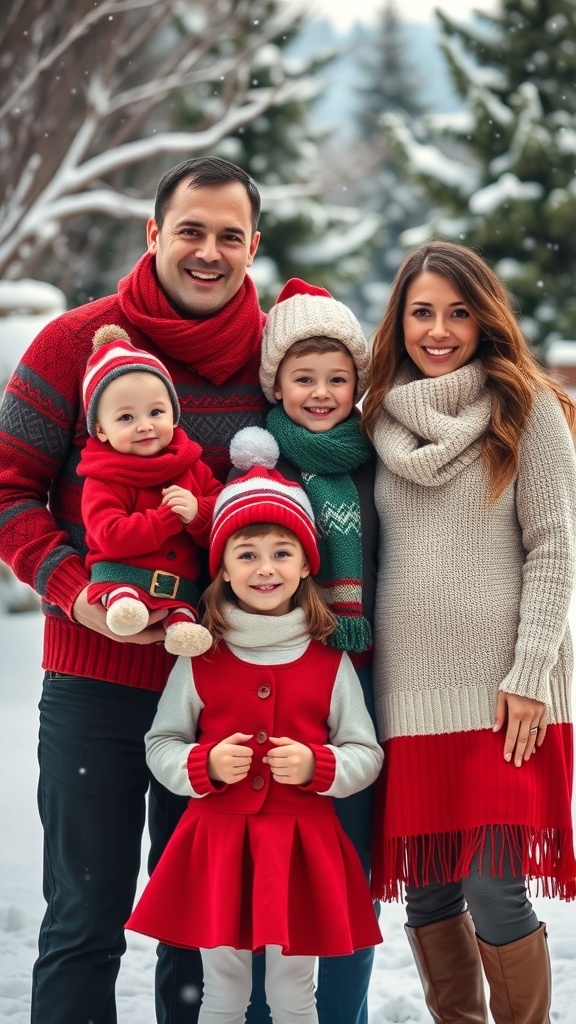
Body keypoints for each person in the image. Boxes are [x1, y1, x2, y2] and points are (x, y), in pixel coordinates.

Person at [0, 156, 269, 1024]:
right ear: (154, 234)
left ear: (253, 247)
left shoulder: (276, 361)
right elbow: (8, 488)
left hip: (219, 686)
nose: (208, 251)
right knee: (85, 920)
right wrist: (75, 589)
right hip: (93, 682)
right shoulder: (73, 343)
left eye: (230, 235)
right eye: (191, 230)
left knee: (201, 929)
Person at [362, 239, 576, 1024]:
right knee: (428, 886)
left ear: (486, 318)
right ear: (401, 319)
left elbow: (554, 543)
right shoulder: (375, 416)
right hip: (407, 694)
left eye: (458, 311)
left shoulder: (528, 405)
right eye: (422, 312)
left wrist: (529, 674)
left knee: (494, 883)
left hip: (504, 693)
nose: (439, 329)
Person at [126, 438, 383, 1024]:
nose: (265, 568)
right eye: (246, 554)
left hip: (298, 846)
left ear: (305, 564)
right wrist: (203, 766)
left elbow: (364, 752)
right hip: (219, 843)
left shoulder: (328, 660)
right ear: (222, 567)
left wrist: (321, 768)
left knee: (294, 991)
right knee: (223, 990)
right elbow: (161, 741)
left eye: (281, 552)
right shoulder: (200, 656)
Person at [248, 277, 379, 1024]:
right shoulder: (262, 470)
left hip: (359, 687)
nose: (322, 392)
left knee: (348, 876)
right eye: (304, 378)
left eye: (338, 378)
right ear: (277, 382)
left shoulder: (375, 461)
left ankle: (344, 1013)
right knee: (274, 872)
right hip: (277, 686)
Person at [78, 324, 222, 656]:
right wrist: (167, 519)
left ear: (174, 417)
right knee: (126, 601)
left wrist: (197, 513)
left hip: (180, 589)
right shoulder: (104, 477)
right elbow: (110, 535)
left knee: (183, 615)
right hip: (121, 579)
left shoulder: (189, 466)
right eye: (126, 417)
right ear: (101, 430)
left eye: (156, 412)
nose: (144, 425)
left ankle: (182, 626)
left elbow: (223, 514)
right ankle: (126, 607)